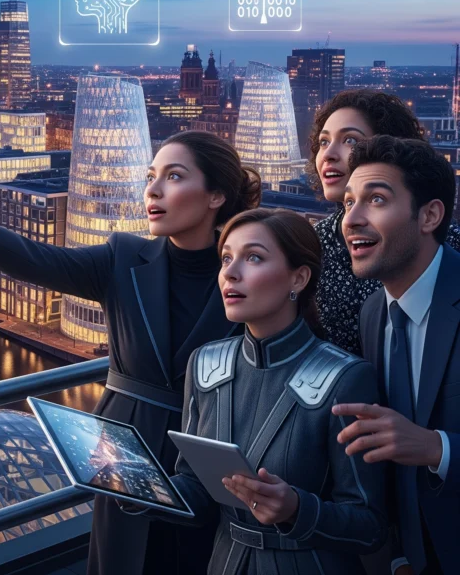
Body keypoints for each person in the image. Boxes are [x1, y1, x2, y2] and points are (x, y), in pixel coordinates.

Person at [0, 130, 262, 575]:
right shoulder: (124, 258)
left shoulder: (254, 274)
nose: (152, 189)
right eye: (151, 176)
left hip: (210, 459)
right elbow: (35, 259)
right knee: (124, 562)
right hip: (125, 454)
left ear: (216, 196)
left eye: (173, 176)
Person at [148, 208, 387, 574]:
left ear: (299, 278)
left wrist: (297, 509)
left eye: (253, 257)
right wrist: (141, 488)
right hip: (224, 564)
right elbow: (197, 492)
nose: (230, 272)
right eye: (226, 257)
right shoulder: (203, 365)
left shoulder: (347, 377)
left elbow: (370, 529)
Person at [334, 136, 460, 575]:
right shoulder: (373, 313)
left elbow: (418, 446)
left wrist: (435, 448)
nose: (351, 219)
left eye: (376, 200)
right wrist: (402, 554)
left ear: (429, 215)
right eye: (348, 203)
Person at [307, 90, 460, 354]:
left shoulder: (447, 240)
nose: (329, 154)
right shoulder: (312, 244)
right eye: (323, 142)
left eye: (350, 140)